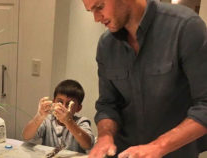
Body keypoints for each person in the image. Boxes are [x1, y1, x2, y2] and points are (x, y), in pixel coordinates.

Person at [81, 0, 207, 157]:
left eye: (100, 7)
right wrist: (105, 136)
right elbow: (108, 104)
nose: (96, 18)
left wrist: (158, 146)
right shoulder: (106, 45)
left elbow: (204, 106)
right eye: (91, 11)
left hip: (175, 153)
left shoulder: (185, 26)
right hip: (124, 153)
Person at [22, 79, 95, 153]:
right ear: (53, 102)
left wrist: (69, 122)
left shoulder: (81, 122)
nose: (63, 107)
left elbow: (88, 145)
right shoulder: (48, 120)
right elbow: (26, 136)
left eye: (69, 104)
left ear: (78, 108)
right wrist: (39, 117)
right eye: (60, 102)